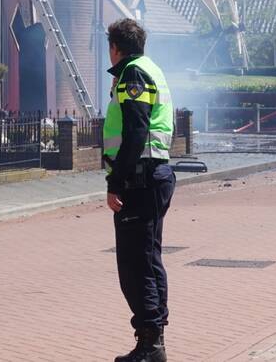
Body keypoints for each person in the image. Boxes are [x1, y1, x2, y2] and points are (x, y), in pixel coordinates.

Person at [103, 18, 175, 362]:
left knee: (135, 265)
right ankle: (153, 338)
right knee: (148, 259)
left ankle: (150, 345)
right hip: (153, 175)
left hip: (139, 178)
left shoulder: (132, 74)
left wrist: (115, 181)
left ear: (115, 47)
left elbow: (135, 131)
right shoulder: (150, 68)